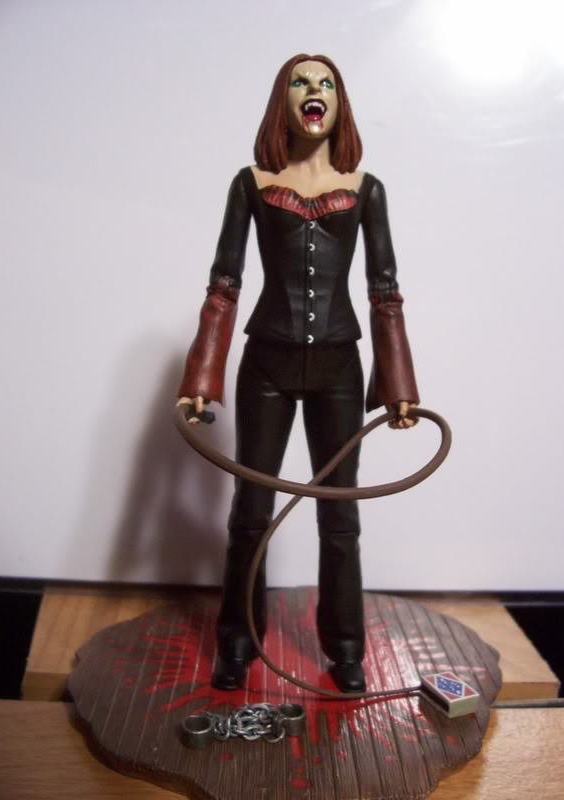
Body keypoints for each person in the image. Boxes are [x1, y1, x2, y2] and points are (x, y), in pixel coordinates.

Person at [176, 54, 420, 692]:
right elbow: (224, 283)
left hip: (339, 365)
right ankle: (237, 642)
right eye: (301, 82)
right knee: (249, 512)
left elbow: (385, 288)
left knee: (340, 518)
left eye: (326, 83)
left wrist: (398, 384)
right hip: (267, 362)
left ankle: (346, 650)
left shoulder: (366, 188)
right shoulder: (251, 183)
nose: (315, 91)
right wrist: (200, 379)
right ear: (281, 102)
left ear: (340, 102)